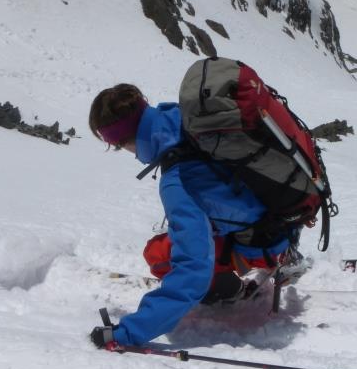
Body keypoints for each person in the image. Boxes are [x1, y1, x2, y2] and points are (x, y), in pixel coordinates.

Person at [88, 83, 295, 349]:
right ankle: (282, 250)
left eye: (115, 144)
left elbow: (193, 271)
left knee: (160, 255)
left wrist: (127, 333)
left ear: (121, 140)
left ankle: (232, 288)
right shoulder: (188, 121)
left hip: (265, 242)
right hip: (284, 216)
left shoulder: (179, 181)